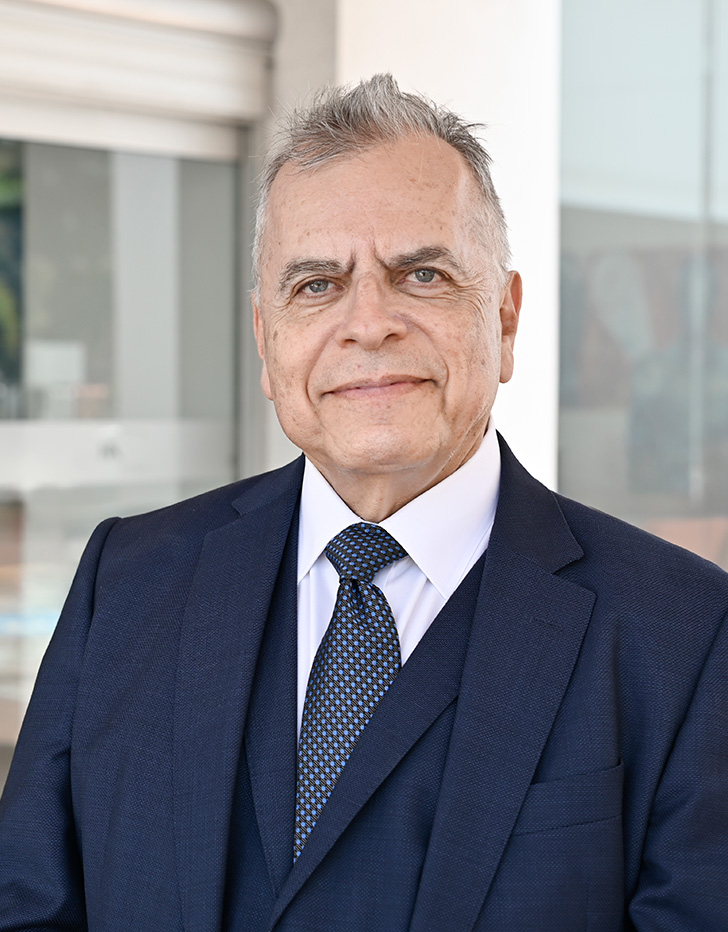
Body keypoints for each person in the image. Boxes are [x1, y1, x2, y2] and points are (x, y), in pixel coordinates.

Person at [0, 74, 726, 932]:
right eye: (316, 285)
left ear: (504, 320)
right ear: (267, 342)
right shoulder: (124, 583)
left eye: (421, 274)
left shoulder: (686, 637)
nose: (368, 323)